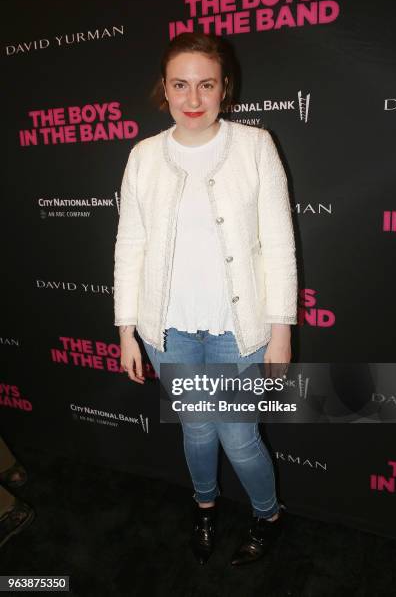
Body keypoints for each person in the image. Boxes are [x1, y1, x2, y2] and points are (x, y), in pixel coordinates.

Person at [113, 32, 298, 566]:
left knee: (238, 438)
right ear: (164, 90)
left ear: (224, 89)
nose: (193, 99)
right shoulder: (144, 156)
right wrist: (127, 328)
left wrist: (281, 329)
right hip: (167, 331)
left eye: (206, 85)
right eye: (180, 85)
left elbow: (280, 243)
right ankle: (205, 505)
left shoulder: (255, 146)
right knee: (195, 429)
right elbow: (131, 245)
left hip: (235, 330)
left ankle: (268, 515)